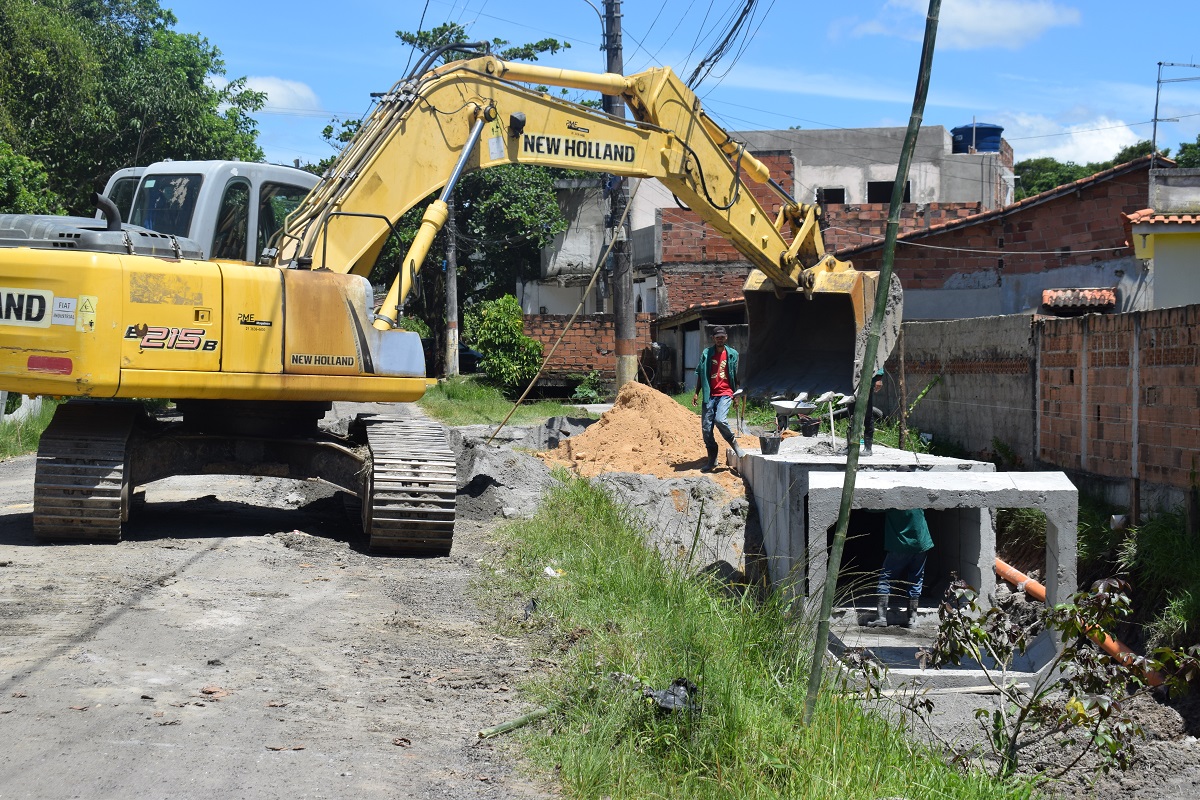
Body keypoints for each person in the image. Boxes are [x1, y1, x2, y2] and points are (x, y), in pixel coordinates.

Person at [691, 326, 746, 472]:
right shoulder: (707, 354)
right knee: (706, 429)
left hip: (726, 392)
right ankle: (712, 459)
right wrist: (697, 392)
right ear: (713, 338)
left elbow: (737, 375)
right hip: (710, 394)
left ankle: (734, 443)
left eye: (722, 337)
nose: (720, 339)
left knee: (720, 419)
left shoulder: (732, 354)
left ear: (726, 337)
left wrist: (737, 396)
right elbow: (701, 374)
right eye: (717, 337)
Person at [867, 508, 933, 628]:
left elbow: (871, 507)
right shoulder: (917, 497)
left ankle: (881, 618)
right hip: (920, 544)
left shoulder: (893, 500)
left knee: (886, 578)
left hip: (900, 545)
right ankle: (912, 620)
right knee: (916, 578)